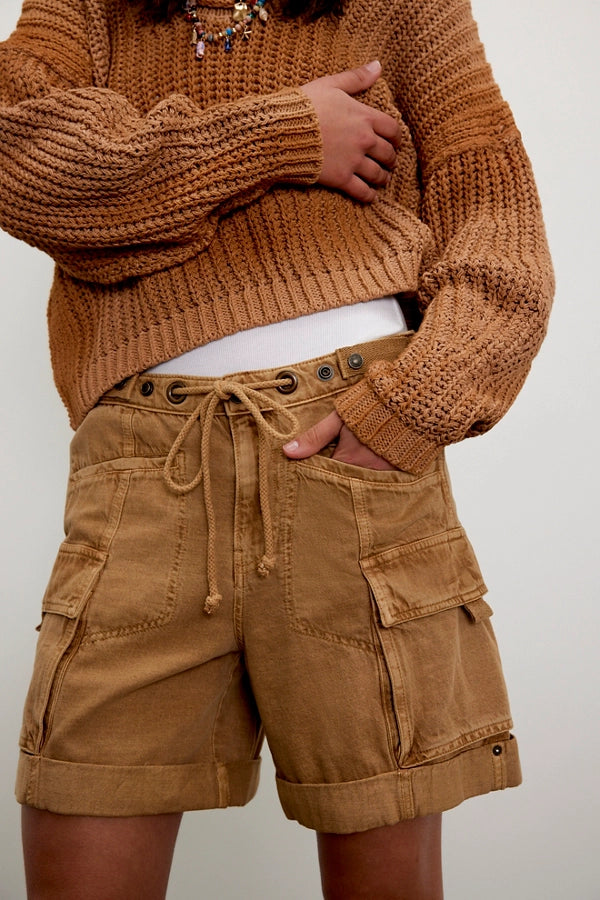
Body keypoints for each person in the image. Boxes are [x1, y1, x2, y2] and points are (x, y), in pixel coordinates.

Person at [0, 0, 553, 896]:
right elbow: (21, 162)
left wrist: (409, 410)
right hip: (142, 469)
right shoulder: (87, 8)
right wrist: (285, 134)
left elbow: (497, 220)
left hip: (351, 455)